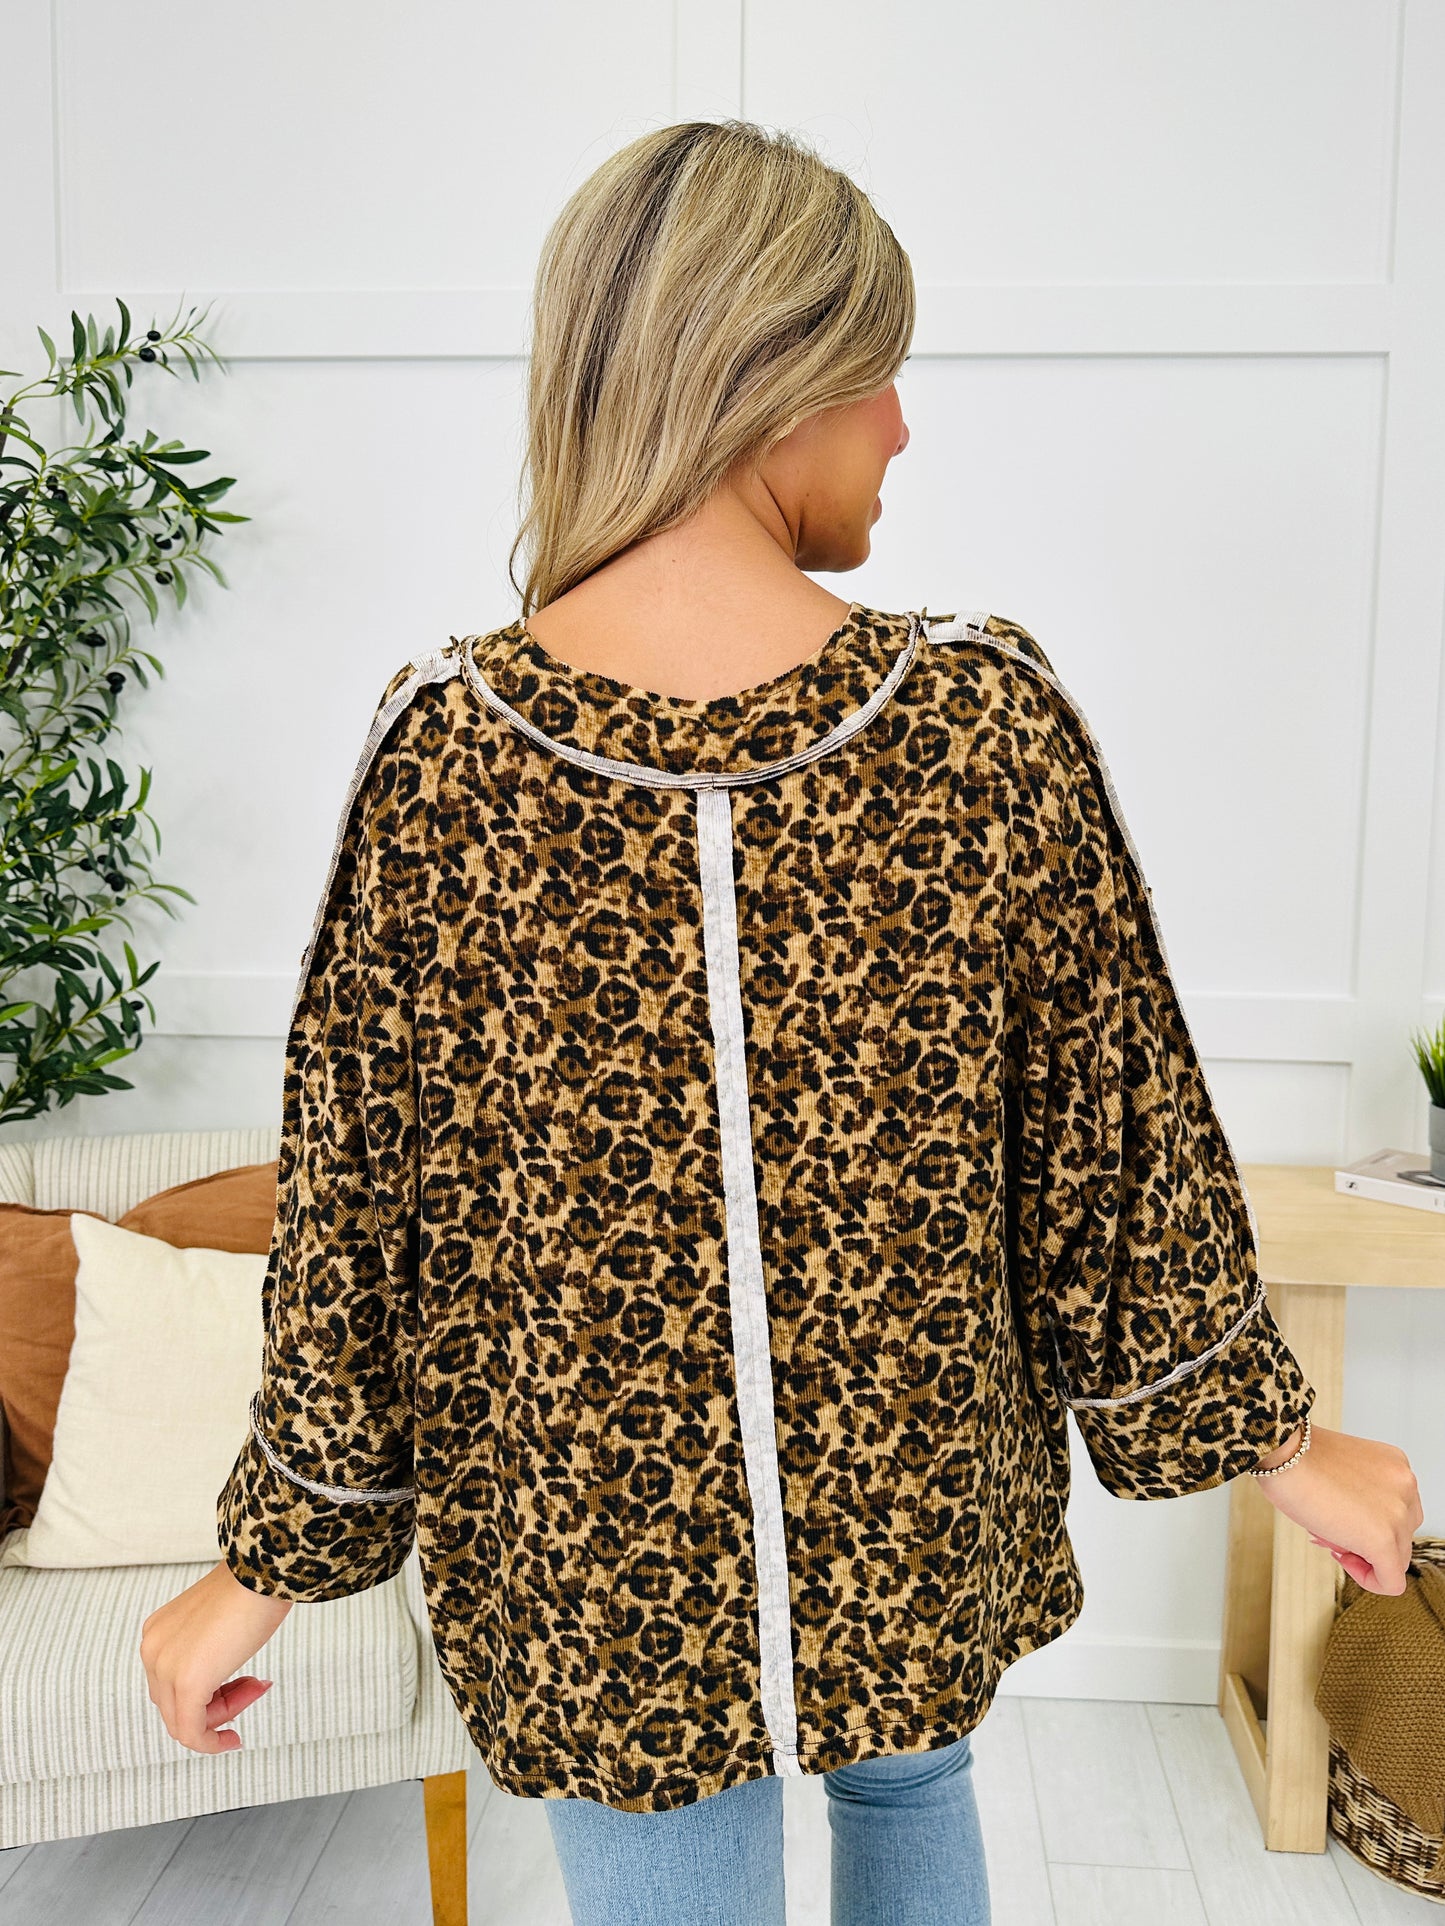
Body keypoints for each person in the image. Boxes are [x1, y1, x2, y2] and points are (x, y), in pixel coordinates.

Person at [140, 119, 1424, 1926]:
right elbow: (1115, 1165)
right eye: (880, 373)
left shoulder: (449, 755)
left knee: (810, 1805)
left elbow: (359, 1224)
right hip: (884, 1521)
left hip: (603, 1567)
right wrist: (1294, 1451)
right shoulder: (975, 724)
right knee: (909, 1786)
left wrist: (258, 1572)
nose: (900, 426)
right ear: (774, 382)